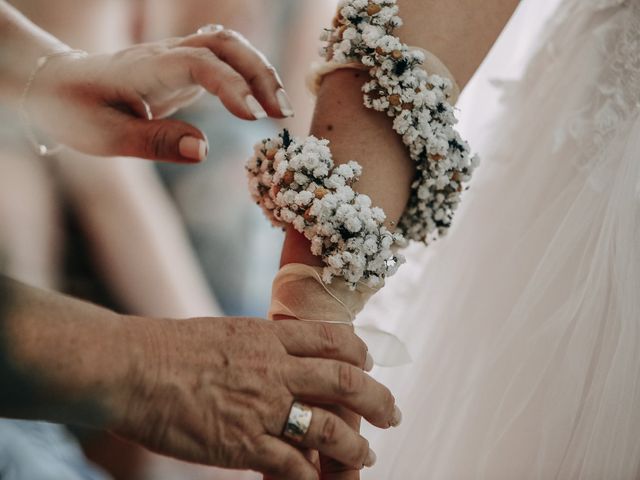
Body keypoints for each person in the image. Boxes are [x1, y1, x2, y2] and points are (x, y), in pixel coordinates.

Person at [0, 2, 401, 479]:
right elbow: (106, 191)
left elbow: (318, 158)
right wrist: (173, 371)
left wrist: (44, 73)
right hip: (139, 321)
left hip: (248, 311)